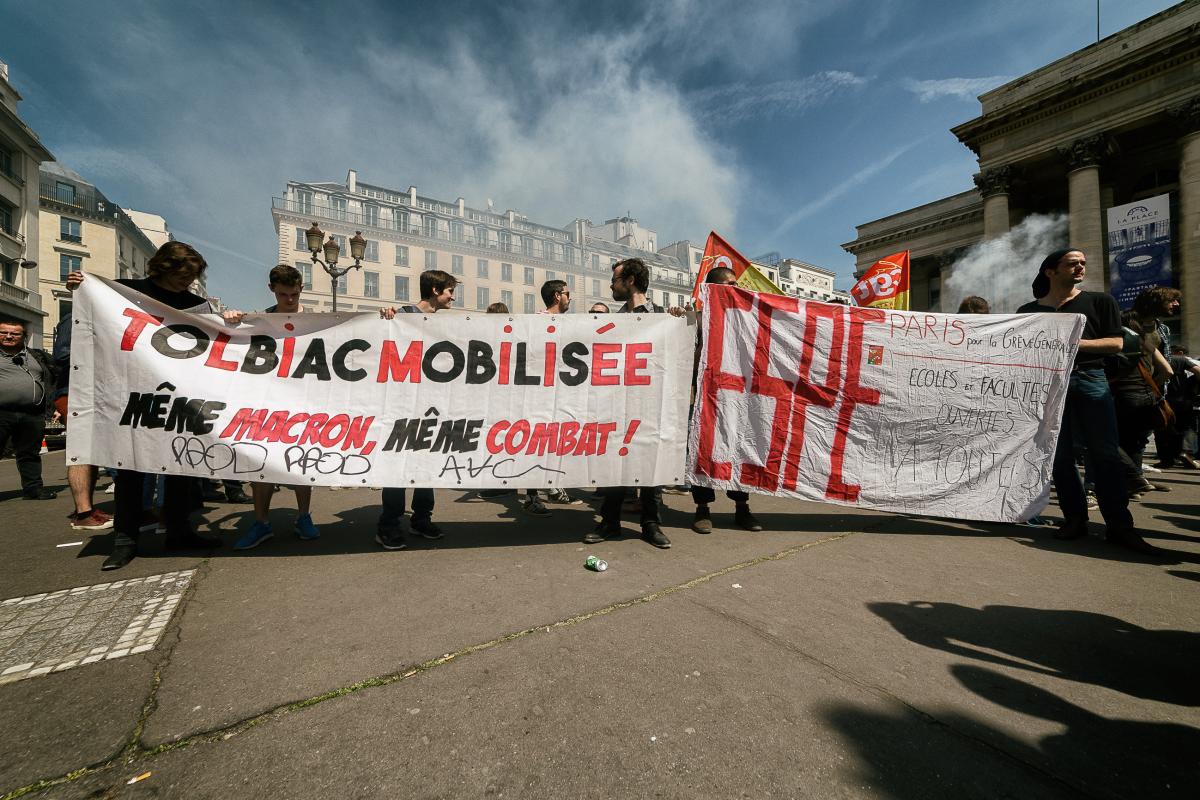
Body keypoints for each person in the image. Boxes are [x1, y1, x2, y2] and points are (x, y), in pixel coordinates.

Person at [67, 242, 223, 570]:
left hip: (179, 398)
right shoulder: (124, 292)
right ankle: (126, 539)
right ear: (163, 267)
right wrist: (82, 289)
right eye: (184, 274)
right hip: (131, 396)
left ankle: (179, 531)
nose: (188, 282)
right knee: (130, 470)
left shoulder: (197, 305)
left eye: (193, 276)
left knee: (181, 467)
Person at [1016, 248, 1157, 555]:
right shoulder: (1028, 310)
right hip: (1050, 385)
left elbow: (1116, 342)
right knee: (1059, 455)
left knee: (1104, 453)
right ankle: (1074, 519)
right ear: (1050, 271)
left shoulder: (1100, 301)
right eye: (1072, 263)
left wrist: (1069, 343)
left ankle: (1120, 526)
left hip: (1091, 379)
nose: (1080, 267)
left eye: (1082, 262)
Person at [226, 265, 321, 549]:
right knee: (261, 463)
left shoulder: (317, 321)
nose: (290, 300)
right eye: (283, 294)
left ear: (302, 289)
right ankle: (261, 522)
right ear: (272, 290)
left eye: (294, 294)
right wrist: (230, 319)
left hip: (304, 402)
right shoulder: (259, 321)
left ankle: (304, 516)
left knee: (302, 463)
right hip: (267, 403)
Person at [584, 257, 671, 549]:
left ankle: (651, 524)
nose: (611, 285)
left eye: (615, 280)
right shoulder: (615, 320)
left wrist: (685, 321)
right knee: (613, 463)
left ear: (630, 281)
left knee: (650, 466)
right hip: (617, 404)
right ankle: (610, 523)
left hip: (652, 404)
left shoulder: (664, 316)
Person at [373, 269, 458, 550]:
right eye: (449, 291)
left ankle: (421, 518)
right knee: (398, 466)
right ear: (435, 290)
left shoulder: (440, 324)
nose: (453, 297)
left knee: (425, 464)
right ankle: (389, 524)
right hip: (401, 406)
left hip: (429, 406)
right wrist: (385, 316)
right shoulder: (402, 315)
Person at [689, 266, 762, 534]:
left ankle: (742, 507)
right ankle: (702, 508)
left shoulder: (746, 321)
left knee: (739, 449)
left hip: (738, 399)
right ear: (716, 288)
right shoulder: (696, 319)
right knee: (703, 449)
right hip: (705, 397)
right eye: (731, 284)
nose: (737, 289)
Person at [50, 312, 112, 529]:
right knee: (82, 451)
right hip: (76, 392)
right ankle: (84, 512)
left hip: (100, 392)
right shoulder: (75, 317)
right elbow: (62, 355)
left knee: (92, 453)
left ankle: (87, 508)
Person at [0, 316, 57, 501]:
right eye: (4, 332)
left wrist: (55, 403)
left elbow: (55, 378)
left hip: (32, 414)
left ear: (24, 336)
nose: (8, 336)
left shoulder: (37, 356)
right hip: (2, 412)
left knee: (30, 454)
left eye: (14, 333)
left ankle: (33, 490)